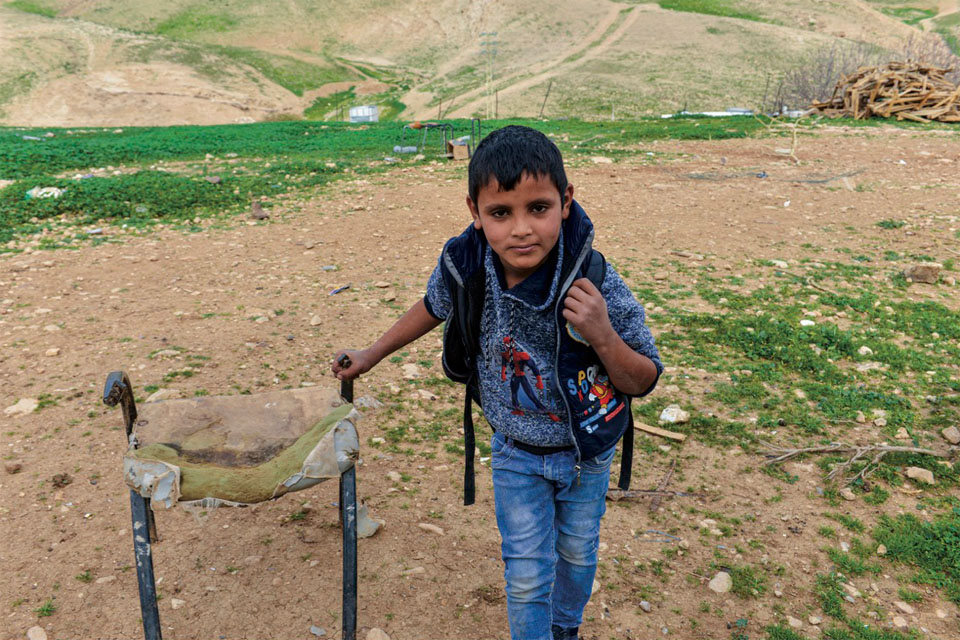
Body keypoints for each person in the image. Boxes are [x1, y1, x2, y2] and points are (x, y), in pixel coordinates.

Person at [333, 125, 662, 640]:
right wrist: (372, 354)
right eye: (500, 213)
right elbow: (432, 306)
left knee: (577, 554)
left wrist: (601, 333)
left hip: (587, 452)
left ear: (566, 201)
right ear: (475, 212)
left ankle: (565, 629)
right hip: (515, 452)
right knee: (527, 574)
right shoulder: (468, 265)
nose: (521, 229)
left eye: (539, 207)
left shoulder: (592, 277)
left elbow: (643, 378)